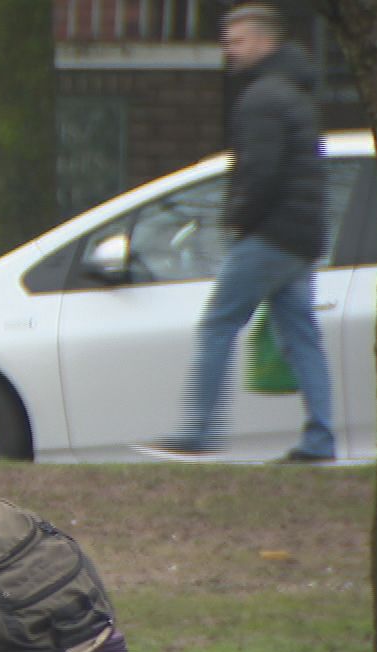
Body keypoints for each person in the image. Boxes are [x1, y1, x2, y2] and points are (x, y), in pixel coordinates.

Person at [142, 2, 334, 464]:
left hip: (271, 234)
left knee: (217, 325)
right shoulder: (296, 94)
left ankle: (199, 429)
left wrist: (237, 220)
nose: (229, 48)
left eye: (238, 39)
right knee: (301, 337)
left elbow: (260, 173)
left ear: (265, 42)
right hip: (302, 236)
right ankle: (321, 439)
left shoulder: (262, 98)